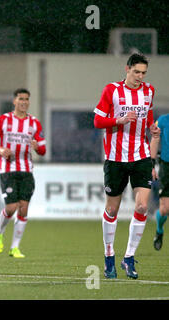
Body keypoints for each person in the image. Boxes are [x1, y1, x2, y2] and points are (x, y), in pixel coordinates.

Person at [93, 53, 160, 279]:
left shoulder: (148, 91)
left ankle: (129, 258)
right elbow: (97, 121)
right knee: (112, 209)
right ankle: (109, 254)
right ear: (127, 69)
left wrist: (152, 128)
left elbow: (148, 115)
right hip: (115, 158)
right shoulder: (111, 90)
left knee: (142, 207)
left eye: (143, 73)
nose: (140, 77)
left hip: (141, 156)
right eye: (136, 72)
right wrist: (118, 120)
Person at [0, 88, 46, 259]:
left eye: (27, 99)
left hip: (26, 169)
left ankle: (15, 247)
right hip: (8, 169)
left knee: (24, 208)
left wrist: (37, 147)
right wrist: (0, 149)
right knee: (12, 207)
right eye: (21, 99)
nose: (24, 102)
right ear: (14, 101)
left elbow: (43, 149)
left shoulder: (34, 123)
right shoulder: (3, 120)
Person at [150, 113, 169, 250]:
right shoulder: (162, 120)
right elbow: (155, 139)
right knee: (164, 209)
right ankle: (159, 230)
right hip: (166, 167)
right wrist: (152, 164)